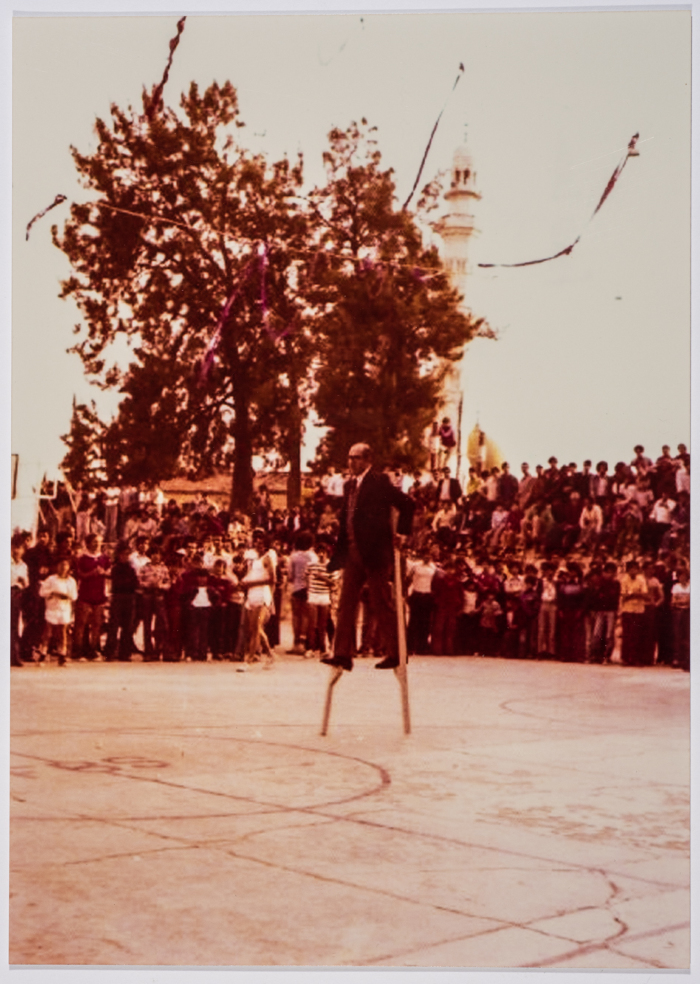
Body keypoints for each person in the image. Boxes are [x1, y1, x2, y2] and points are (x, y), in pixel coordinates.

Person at [323, 444, 414, 672]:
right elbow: (347, 521)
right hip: (353, 552)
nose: (351, 462)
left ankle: (396, 652)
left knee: (380, 602)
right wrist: (339, 555)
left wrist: (402, 533)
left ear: (367, 460)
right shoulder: (349, 485)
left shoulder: (379, 481)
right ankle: (342, 654)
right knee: (345, 604)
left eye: (355, 458)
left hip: (375, 553)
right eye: (349, 458)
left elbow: (407, 504)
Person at [38, 557, 78, 665]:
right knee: (48, 632)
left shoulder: (71, 581)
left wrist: (66, 596)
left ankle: (62, 655)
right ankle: (43, 654)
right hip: (52, 608)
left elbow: (74, 596)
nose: (63, 567)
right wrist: (53, 593)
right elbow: (42, 592)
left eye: (65, 565)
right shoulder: (51, 579)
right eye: (61, 565)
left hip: (64, 609)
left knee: (63, 632)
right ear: (57, 566)